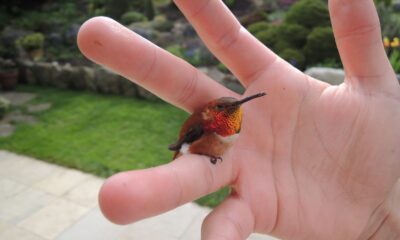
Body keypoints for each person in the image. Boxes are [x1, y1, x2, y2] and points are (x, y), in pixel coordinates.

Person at [77, 0, 400, 239]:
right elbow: (190, 141)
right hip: (197, 146)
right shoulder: (205, 126)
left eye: (237, 108)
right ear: (214, 116)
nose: (236, 111)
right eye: (228, 110)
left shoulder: (232, 127)